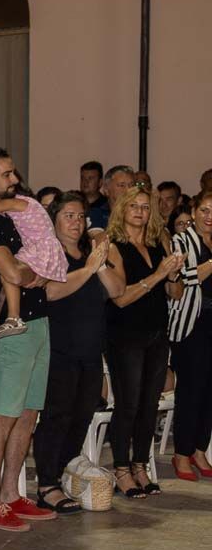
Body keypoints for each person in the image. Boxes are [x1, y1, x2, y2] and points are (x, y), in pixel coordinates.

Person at [0, 148, 58, 531]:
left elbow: (41, 265)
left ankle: (11, 494)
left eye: (13, 172)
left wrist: (35, 272)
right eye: (5, 174)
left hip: (39, 322)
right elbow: (14, 273)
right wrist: (30, 273)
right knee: (4, 415)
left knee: (28, 412)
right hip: (11, 328)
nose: (14, 180)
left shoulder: (11, 214)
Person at [30, 192, 124, 514]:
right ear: (54, 220)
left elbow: (116, 290)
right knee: (56, 416)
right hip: (59, 348)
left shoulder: (91, 250)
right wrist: (87, 268)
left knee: (82, 415)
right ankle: (46, 484)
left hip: (90, 349)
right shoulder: (50, 252)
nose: (76, 222)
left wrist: (97, 263)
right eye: (68, 215)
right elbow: (52, 291)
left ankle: (63, 473)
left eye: (80, 216)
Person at [104, 187, 182, 497]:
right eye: (133, 206)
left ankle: (140, 465)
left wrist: (173, 275)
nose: (140, 211)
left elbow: (174, 294)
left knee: (151, 404)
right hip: (125, 334)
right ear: (122, 210)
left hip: (156, 332)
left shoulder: (157, 243)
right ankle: (121, 468)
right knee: (129, 403)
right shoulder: (114, 247)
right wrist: (157, 276)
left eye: (145, 207)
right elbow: (120, 298)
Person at [0, 189, 67, 338]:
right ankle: (15, 317)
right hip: (45, 250)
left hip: (39, 250)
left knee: (9, 272)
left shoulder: (21, 203)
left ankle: (13, 317)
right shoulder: (32, 207)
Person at [165, 188, 212, 481]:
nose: (210, 217)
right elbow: (185, 278)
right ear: (194, 212)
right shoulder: (181, 240)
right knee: (192, 390)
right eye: (205, 210)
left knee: (210, 391)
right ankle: (181, 453)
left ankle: (199, 449)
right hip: (192, 323)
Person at [80, 161, 107, 230]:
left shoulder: (107, 206)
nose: (85, 182)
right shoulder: (75, 203)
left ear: (100, 182)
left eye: (90, 178)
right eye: (83, 178)